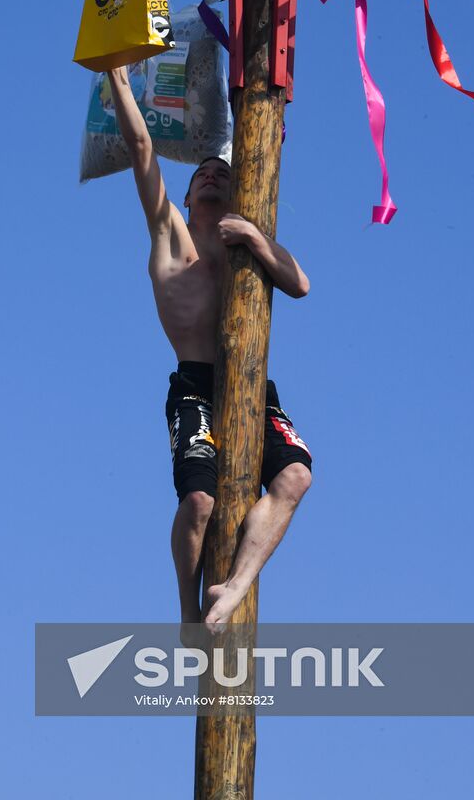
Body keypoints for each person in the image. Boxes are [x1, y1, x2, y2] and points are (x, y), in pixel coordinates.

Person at [107, 66, 313, 634]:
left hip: (251, 383)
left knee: (295, 477)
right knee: (201, 503)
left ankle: (236, 587)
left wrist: (252, 236)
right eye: (201, 171)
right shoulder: (169, 234)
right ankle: (186, 612)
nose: (210, 175)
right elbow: (142, 148)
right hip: (195, 383)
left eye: (221, 170)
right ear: (191, 189)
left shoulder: (247, 242)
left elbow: (300, 284)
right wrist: (119, 81)